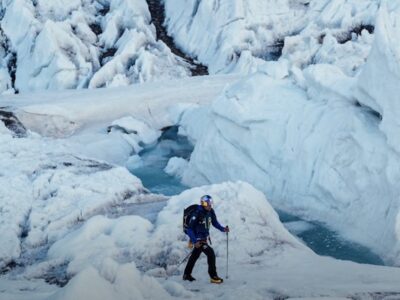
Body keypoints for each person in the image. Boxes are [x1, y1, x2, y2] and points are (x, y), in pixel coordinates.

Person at [183, 194, 229, 284]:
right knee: (210, 253)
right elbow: (189, 229)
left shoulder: (211, 211)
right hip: (198, 239)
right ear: (203, 203)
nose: (210, 205)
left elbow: (215, 223)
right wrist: (195, 241)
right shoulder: (196, 213)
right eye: (208, 203)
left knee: (194, 256)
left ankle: (186, 275)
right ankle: (213, 276)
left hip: (204, 238)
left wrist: (223, 229)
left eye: (211, 203)